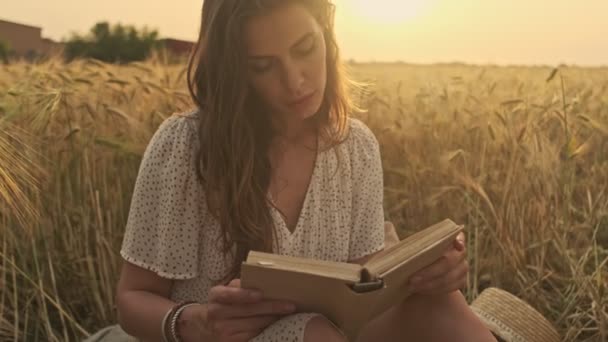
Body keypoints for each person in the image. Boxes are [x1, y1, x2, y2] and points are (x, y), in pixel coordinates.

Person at [115, 0, 497, 341]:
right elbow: (132, 299)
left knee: (438, 303)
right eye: (263, 66)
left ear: (326, 33)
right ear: (235, 72)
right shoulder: (184, 148)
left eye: (305, 49)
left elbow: (361, 291)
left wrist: (428, 277)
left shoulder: (355, 147)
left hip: (328, 333)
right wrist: (196, 324)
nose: (295, 80)